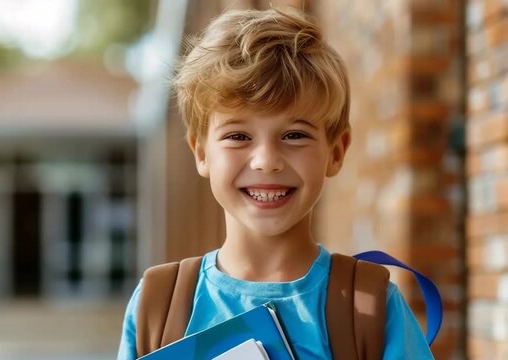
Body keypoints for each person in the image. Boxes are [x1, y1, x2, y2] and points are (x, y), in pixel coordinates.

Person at [118, 7, 433, 359]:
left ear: (336, 151)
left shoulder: (372, 308)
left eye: (295, 135)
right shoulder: (158, 304)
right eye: (238, 135)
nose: (266, 160)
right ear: (201, 152)